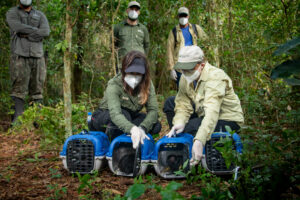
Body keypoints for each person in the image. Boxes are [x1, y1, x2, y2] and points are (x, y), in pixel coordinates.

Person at [163, 46, 244, 165]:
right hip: (203, 113)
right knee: (171, 102)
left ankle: (191, 153)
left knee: (191, 128)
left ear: (201, 64)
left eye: (189, 69)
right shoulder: (185, 78)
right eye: (183, 69)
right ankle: (182, 147)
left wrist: (200, 140)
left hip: (226, 119)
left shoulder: (215, 77)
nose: (185, 73)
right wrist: (179, 121)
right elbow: (182, 104)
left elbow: (212, 112)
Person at [89, 51, 161, 149]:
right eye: (131, 73)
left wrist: (142, 128)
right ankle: (115, 147)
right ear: (124, 71)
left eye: (138, 74)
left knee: (156, 124)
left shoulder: (147, 83)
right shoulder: (114, 84)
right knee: (124, 115)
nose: (134, 77)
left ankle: (135, 144)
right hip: (106, 115)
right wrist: (132, 128)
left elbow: (153, 110)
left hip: (131, 116)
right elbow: (115, 114)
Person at [6, 0, 50, 123]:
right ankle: (17, 122)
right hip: (19, 55)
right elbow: (16, 27)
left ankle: (37, 123)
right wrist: (36, 31)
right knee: (18, 89)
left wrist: (25, 34)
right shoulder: (12, 12)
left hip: (38, 56)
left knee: (37, 90)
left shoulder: (40, 15)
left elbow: (45, 32)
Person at [167, 6, 208, 87]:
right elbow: (169, 50)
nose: (183, 17)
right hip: (180, 67)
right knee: (182, 92)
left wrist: (204, 61)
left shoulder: (195, 28)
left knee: (197, 90)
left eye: (185, 15)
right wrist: (171, 69)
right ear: (178, 17)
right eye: (181, 15)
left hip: (194, 65)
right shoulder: (174, 32)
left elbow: (206, 42)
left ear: (188, 16)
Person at [113, 1, 150, 73]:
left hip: (139, 64)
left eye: (136, 10)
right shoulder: (118, 27)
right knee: (122, 84)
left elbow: (147, 46)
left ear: (139, 12)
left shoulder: (143, 28)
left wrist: (143, 59)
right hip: (123, 64)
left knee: (139, 84)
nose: (134, 11)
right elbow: (113, 45)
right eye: (132, 9)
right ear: (127, 10)